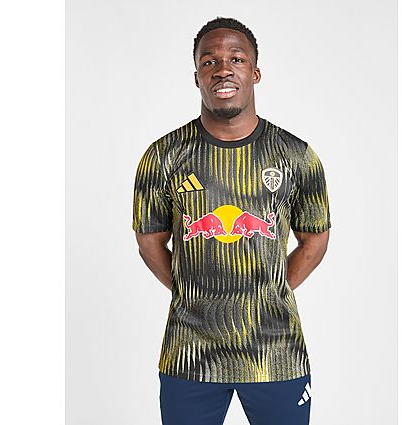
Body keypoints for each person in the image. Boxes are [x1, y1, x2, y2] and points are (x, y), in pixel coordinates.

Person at [132, 16, 331, 425]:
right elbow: (149, 241)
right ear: (197, 77)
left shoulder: (297, 156)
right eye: (209, 61)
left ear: (255, 72)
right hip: (190, 354)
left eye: (236, 59)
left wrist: (269, 291)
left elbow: (315, 239)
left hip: (276, 352)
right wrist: (193, 291)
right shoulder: (163, 156)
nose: (223, 69)